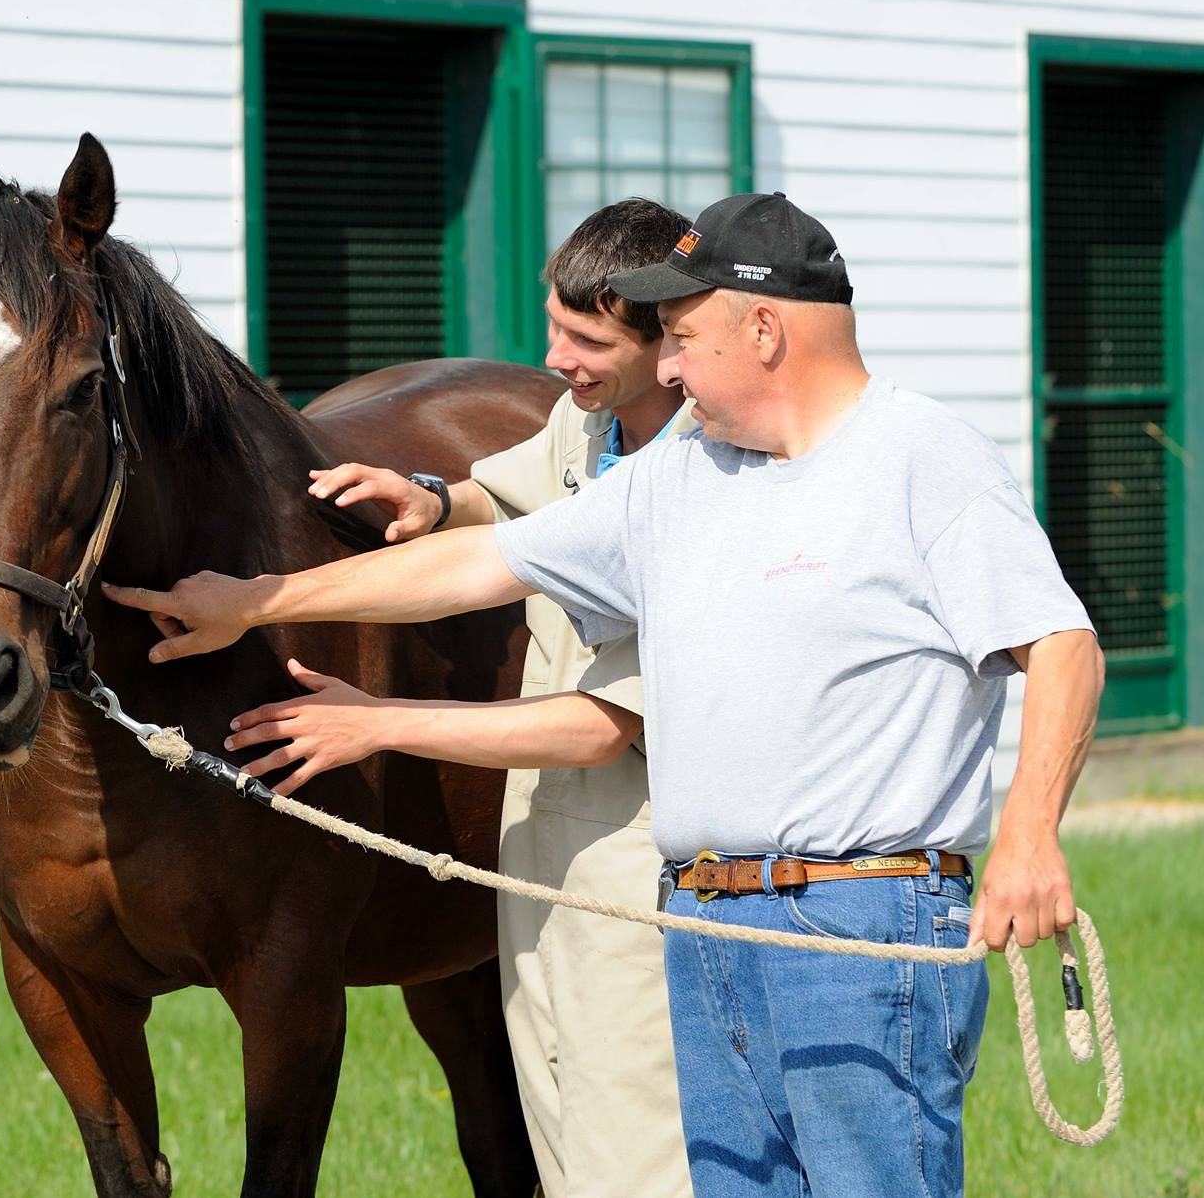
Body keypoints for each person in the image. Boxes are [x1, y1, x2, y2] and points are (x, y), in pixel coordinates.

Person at [107, 192, 1105, 1198]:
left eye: (680, 338)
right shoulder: (684, 475)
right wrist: (261, 599)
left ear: (762, 329)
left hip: (861, 928)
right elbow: (482, 565)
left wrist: (1028, 831)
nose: (665, 369)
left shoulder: (920, 457)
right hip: (707, 926)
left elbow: (1061, 646)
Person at [234, 197, 696, 1198]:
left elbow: (598, 727)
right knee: (556, 1125)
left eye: (584, 339)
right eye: (552, 328)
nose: (555, 362)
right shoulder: (588, 423)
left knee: (635, 1147)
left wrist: (373, 721)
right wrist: (438, 498)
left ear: (668, 341)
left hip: (642, 839)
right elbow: (512, 506)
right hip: (534, 834)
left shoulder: (699, 486)